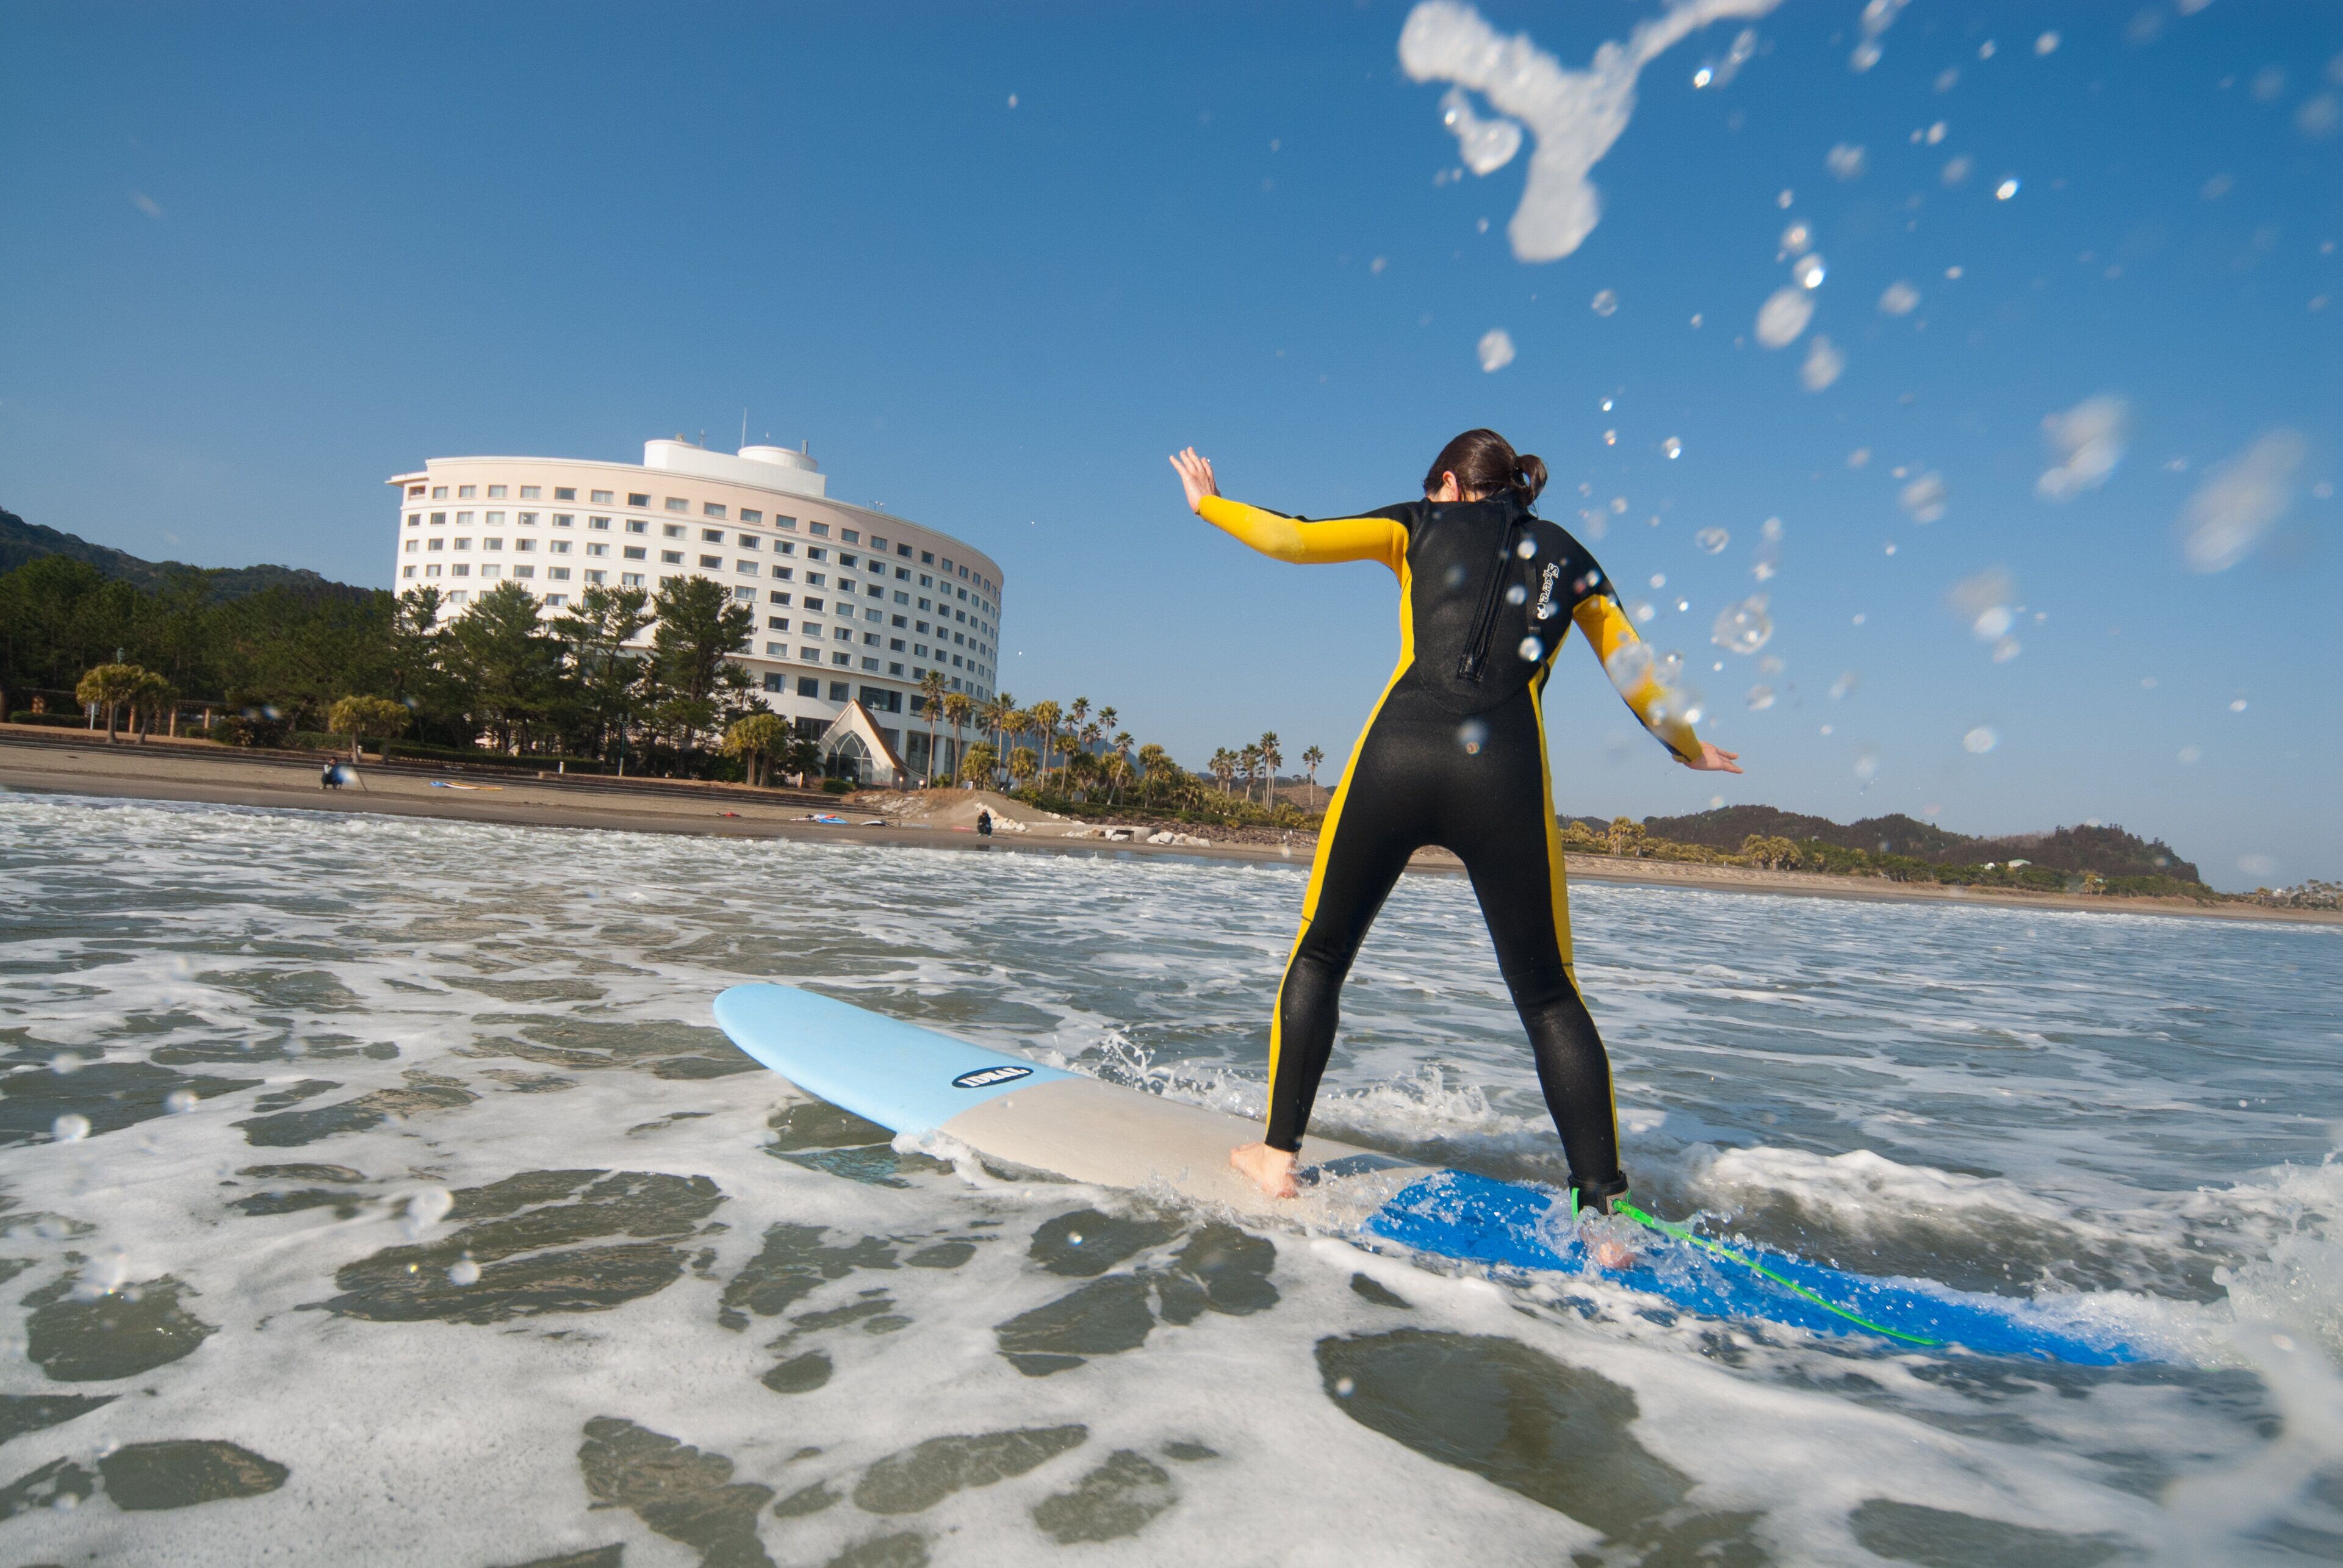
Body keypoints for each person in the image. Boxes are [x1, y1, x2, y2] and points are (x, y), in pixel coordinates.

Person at [1169, 430, 1741, 1217]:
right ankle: (1604, 1216)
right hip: (1502, 776)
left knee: (1323, 952)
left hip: (1397, 758)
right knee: (1547, 996)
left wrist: (1210, 507)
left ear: (1446, 482)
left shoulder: (1417, 523)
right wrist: (1687, 749)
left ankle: (1276, 1159)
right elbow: (1635, 669)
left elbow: (1294, 539)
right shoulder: (1571, 556)